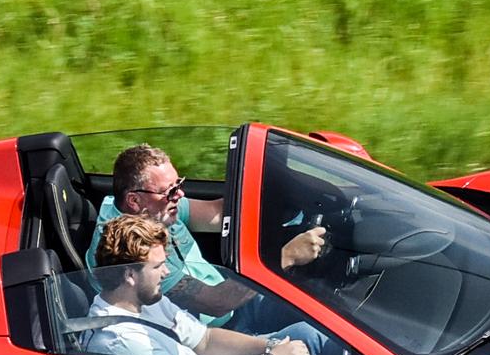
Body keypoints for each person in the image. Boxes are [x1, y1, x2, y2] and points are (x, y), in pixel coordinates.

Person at [101, 142, 328, 338]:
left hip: (237, 307)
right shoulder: (130, 250)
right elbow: (216, 303)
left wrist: (288, 193)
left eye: (179, 185)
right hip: (215, 332)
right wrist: (285, 257)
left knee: (322, 301)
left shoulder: (159, 210)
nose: (180, 195)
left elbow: (220, 214)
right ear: (134, 200)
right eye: (170, 191)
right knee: (313, 336)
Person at [78, 216, 312, 355]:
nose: (166, 272)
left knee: (305, 334)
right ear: (129, 275)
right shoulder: (123, 344)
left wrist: (270, 345)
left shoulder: (148, 302)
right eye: (158, 267)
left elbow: (205, 340)